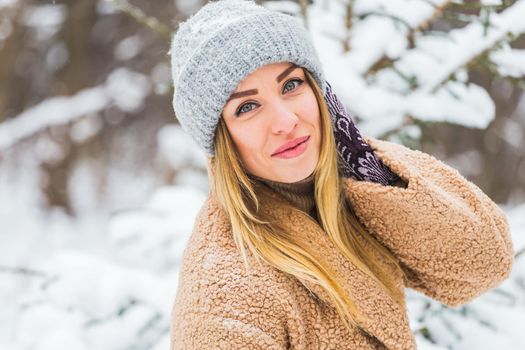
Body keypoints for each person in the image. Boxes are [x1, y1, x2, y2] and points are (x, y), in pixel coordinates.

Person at [168, 1, 514, 349]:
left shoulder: (352, 195)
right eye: (247, 107)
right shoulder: (225, 292)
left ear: (323, 94)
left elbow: (485, 262)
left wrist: (373, 171)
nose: (286, 121)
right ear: (221, 139)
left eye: (291, 85)